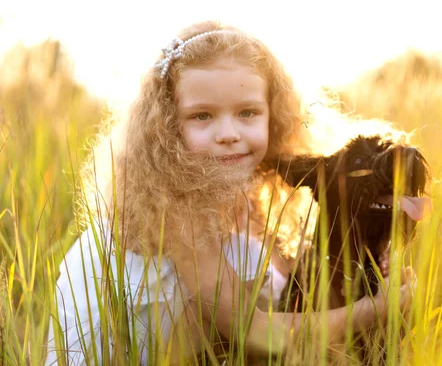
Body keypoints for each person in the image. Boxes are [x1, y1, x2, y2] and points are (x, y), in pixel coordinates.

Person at [45, 20, 419, 365]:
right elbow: (256, 334)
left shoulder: (237, 187)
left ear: (274, 114)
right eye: (202, 116)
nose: (229, 133)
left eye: (247, 113)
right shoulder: (175, 212)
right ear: (167, 128)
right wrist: (377, 308)